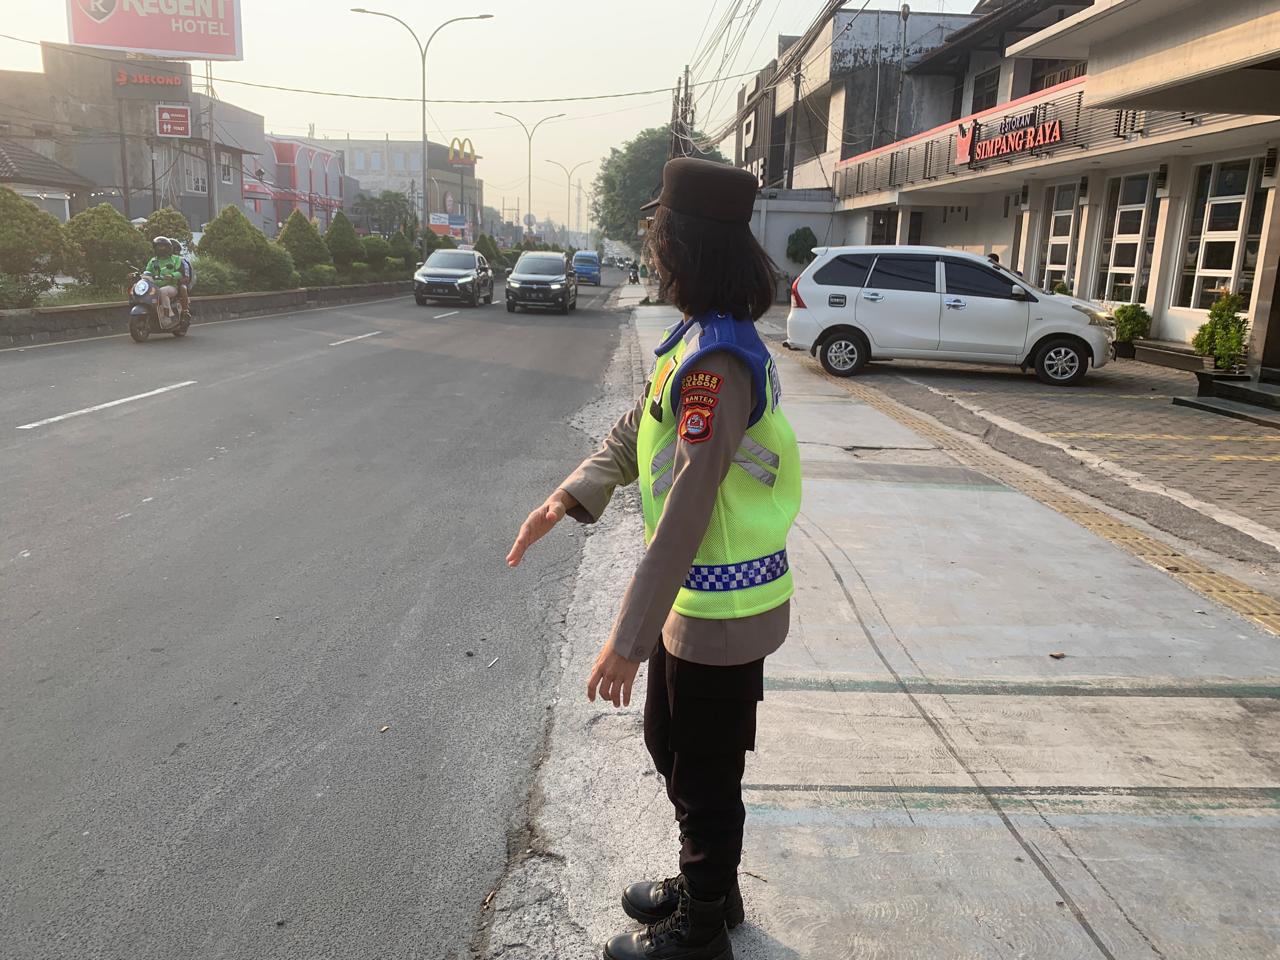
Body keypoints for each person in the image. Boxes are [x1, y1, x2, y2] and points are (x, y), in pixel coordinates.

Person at [507, 157, 801, 960]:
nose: (652, 249)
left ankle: (703, 930)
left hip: (724, 607)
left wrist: (626, 640)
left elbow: (687, 512)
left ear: (683, 245)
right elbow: (638, 424)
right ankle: (713, 887)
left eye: (657, 235)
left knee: (702, 770)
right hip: (697, 602)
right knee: (673, 745)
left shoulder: (718, 363)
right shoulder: (693, 340)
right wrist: (565, 498)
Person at [143, 237, 184, 324]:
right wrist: (143, 276)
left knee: (162, 291)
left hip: (171, 286)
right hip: (154, 287)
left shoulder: (176, 259)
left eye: (163, 246)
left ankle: (167, 316)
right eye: (158, 246)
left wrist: (172, 275)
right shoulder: (153, 261)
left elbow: (180, 272)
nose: (161, 248)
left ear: (169, 247)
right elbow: (147, 272)